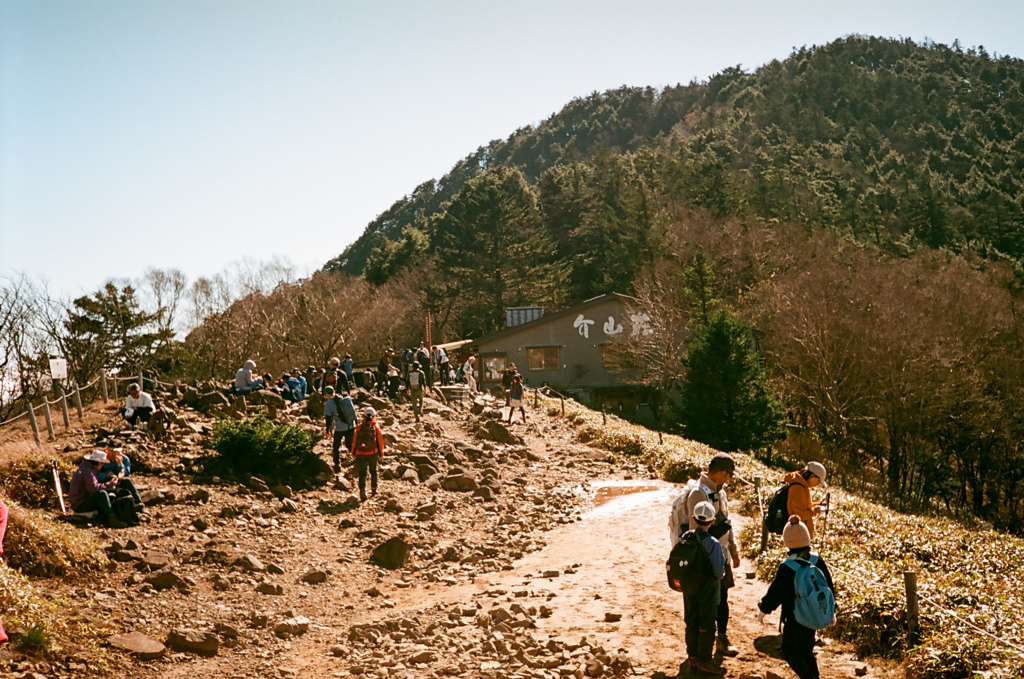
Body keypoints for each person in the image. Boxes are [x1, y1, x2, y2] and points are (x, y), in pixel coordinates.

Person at [668, 452, 741, 657]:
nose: (730, 479)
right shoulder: (698, 494)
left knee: (722, 600)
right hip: (705, 560)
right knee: (704, 606)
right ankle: (702, 651)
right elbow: (696, 533)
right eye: (729, 475)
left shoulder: (720, 492)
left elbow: (727, 524)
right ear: (720, 472)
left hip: (721, 554)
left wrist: (733, 550)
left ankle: (721, 639)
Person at [758, 516, 837, 679]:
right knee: (807, 650)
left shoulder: (788, 567)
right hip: (814, 614)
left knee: (789, 650)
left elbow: (776, 592)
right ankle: (814, 676)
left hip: (795, 617)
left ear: (787, 542)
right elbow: (828, 586)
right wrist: (832, 609)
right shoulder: (817, 561)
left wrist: (764, 609)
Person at [680, 500, 726, 675]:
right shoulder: (713, 543)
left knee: (691, 620)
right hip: (708, 588)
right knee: (707, 623)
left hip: (689, 586)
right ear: (712, 521)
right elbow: (719, 572)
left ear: (693, 518)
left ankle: (692, 658)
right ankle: (705, 660)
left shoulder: (686, 537)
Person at [69, 450, 131, 528]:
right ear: (99, 463)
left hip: (81, 500)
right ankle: (112, 518)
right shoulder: (88, 471)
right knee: (102, 494)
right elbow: (93, 488)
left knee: (105, 493)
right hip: (79, 504)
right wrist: (110, 484)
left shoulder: (88, 469)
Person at [785, 461, 828, 539]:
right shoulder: (798, 488)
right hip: (797, 536)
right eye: (818, 480)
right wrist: (814, 510)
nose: (818, 484)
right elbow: (800, 515)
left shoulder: (804, 486)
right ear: (812, 476)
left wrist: (818, 504)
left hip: (801, 534)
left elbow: (805, 506)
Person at [350, 407, 384, 501]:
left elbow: (355, 440)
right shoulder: (375, 426)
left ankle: (362, 490)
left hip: (360, 453)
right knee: (373, 471)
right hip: (373, 452)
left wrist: (353, 452)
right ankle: (373, 490)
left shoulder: (359, 426)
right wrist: (381, 454)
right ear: (373, 416)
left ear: (364, 416)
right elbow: (380, 441)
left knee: (362, 473)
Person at [322, 386, 357, 473]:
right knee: (350, 444)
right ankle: (358, 459)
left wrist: (328, 431)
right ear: (334, 391)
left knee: (336, 446)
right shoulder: (345, 398)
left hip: (340, 428)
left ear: (326, 394)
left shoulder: (329, 403)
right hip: (351, 425)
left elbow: (328, 419)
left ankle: (337, 465)